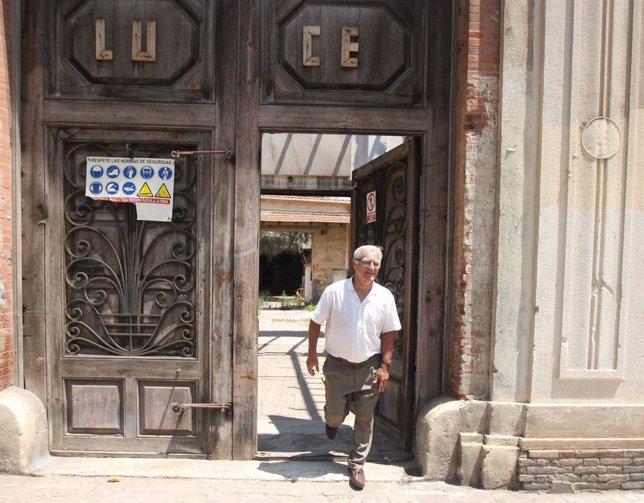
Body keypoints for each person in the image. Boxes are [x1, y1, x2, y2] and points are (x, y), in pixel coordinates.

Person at [306, 245, 401, 490]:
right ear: (355, 263)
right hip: (338, 366)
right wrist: (311, 354)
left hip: (369, 367)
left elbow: (389, 332)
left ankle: (357, 464)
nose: (371, 268)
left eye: (376, 264)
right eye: (367, 262)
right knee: (336, 414)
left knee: (365, 417)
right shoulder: (335, 292)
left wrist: (385, 365)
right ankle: (333, 419)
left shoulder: (384, 296)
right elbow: (315, 321)